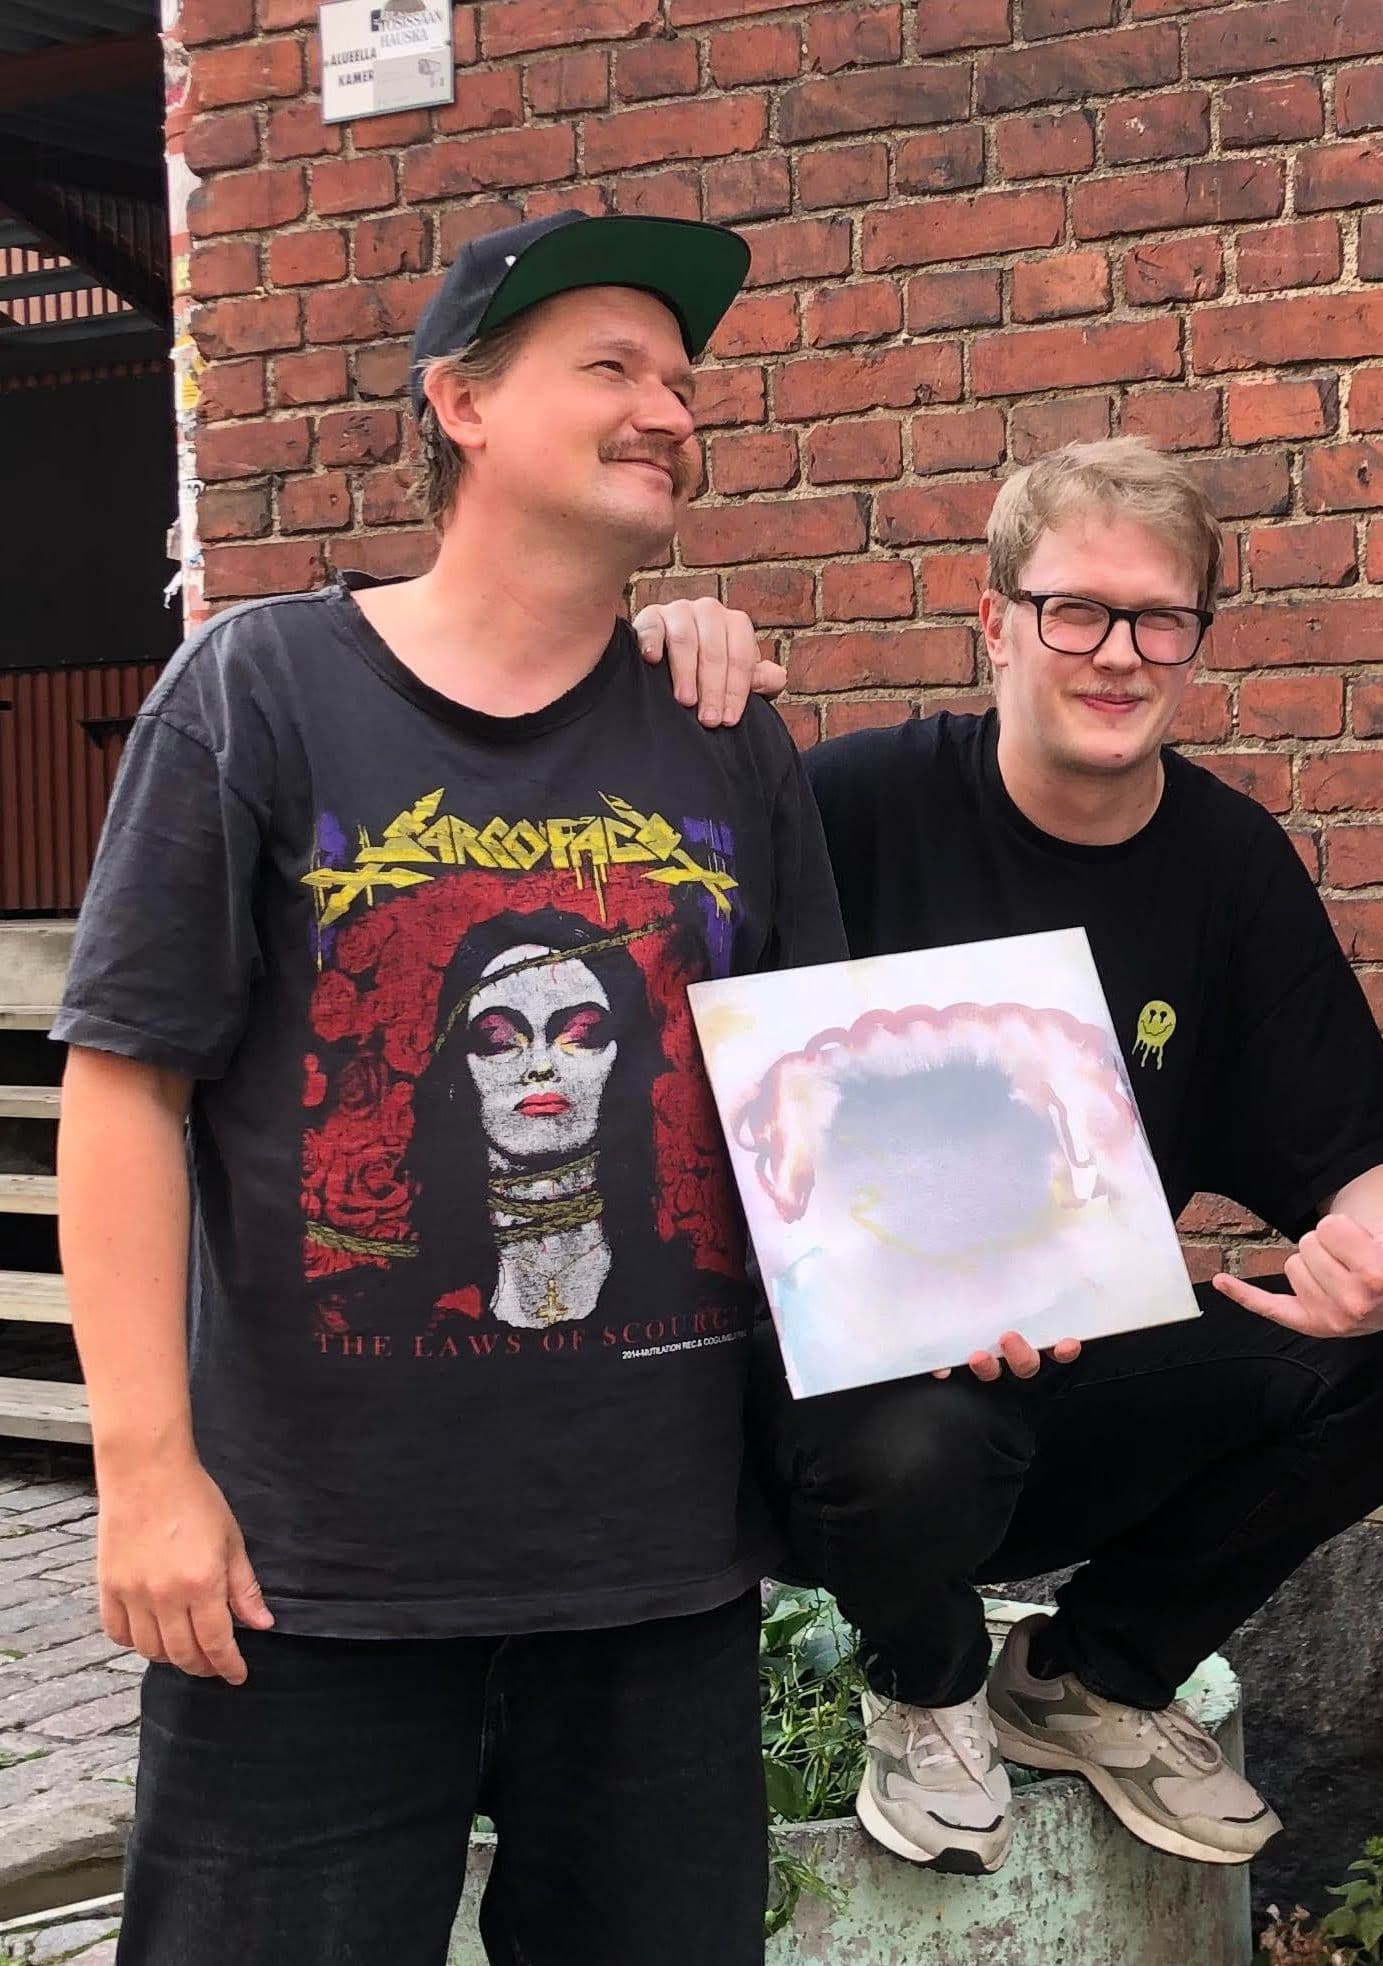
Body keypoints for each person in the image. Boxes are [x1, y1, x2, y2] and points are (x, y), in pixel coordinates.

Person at [54, 211, 846, 1966]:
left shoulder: (723, 731)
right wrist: (146, 1471)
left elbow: (806, 1107)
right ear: (462, 404)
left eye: (683, 382)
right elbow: (124, 1089)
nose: (669, 410)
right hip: (304, 1586)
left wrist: (974, 1282)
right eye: (612, 368)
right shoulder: (257, 693)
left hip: (655, 1580)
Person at [637, 436, 1383, 1877]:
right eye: (1075, 610)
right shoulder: (850, 807)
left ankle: (1087, 1678)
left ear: (1197, 638)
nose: (1117, 654)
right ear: (996, 621)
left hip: (1076, 1378)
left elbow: (1359, 1157)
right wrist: (642, 665)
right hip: (843, 1413)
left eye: (1159, 619)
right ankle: (930, 1684)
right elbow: (642, 915)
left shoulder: (1228, 865)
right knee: (918, 1434)